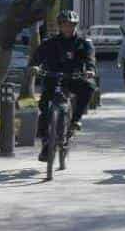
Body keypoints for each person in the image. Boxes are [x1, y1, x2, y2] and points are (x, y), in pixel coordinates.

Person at [32, 10, 96, 162]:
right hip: (53, 78)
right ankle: (46, 142)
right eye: (65, 25)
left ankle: (76, 120)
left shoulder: (83, 43)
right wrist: (35, 66)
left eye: (71, 25)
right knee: (44, 106)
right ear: (60, 26)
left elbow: (90, 59)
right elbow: (37, 56)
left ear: (75, 26)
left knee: (89, 87)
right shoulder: (50, 42)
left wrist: (90, 71)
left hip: (74, 78)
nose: (68, 28)